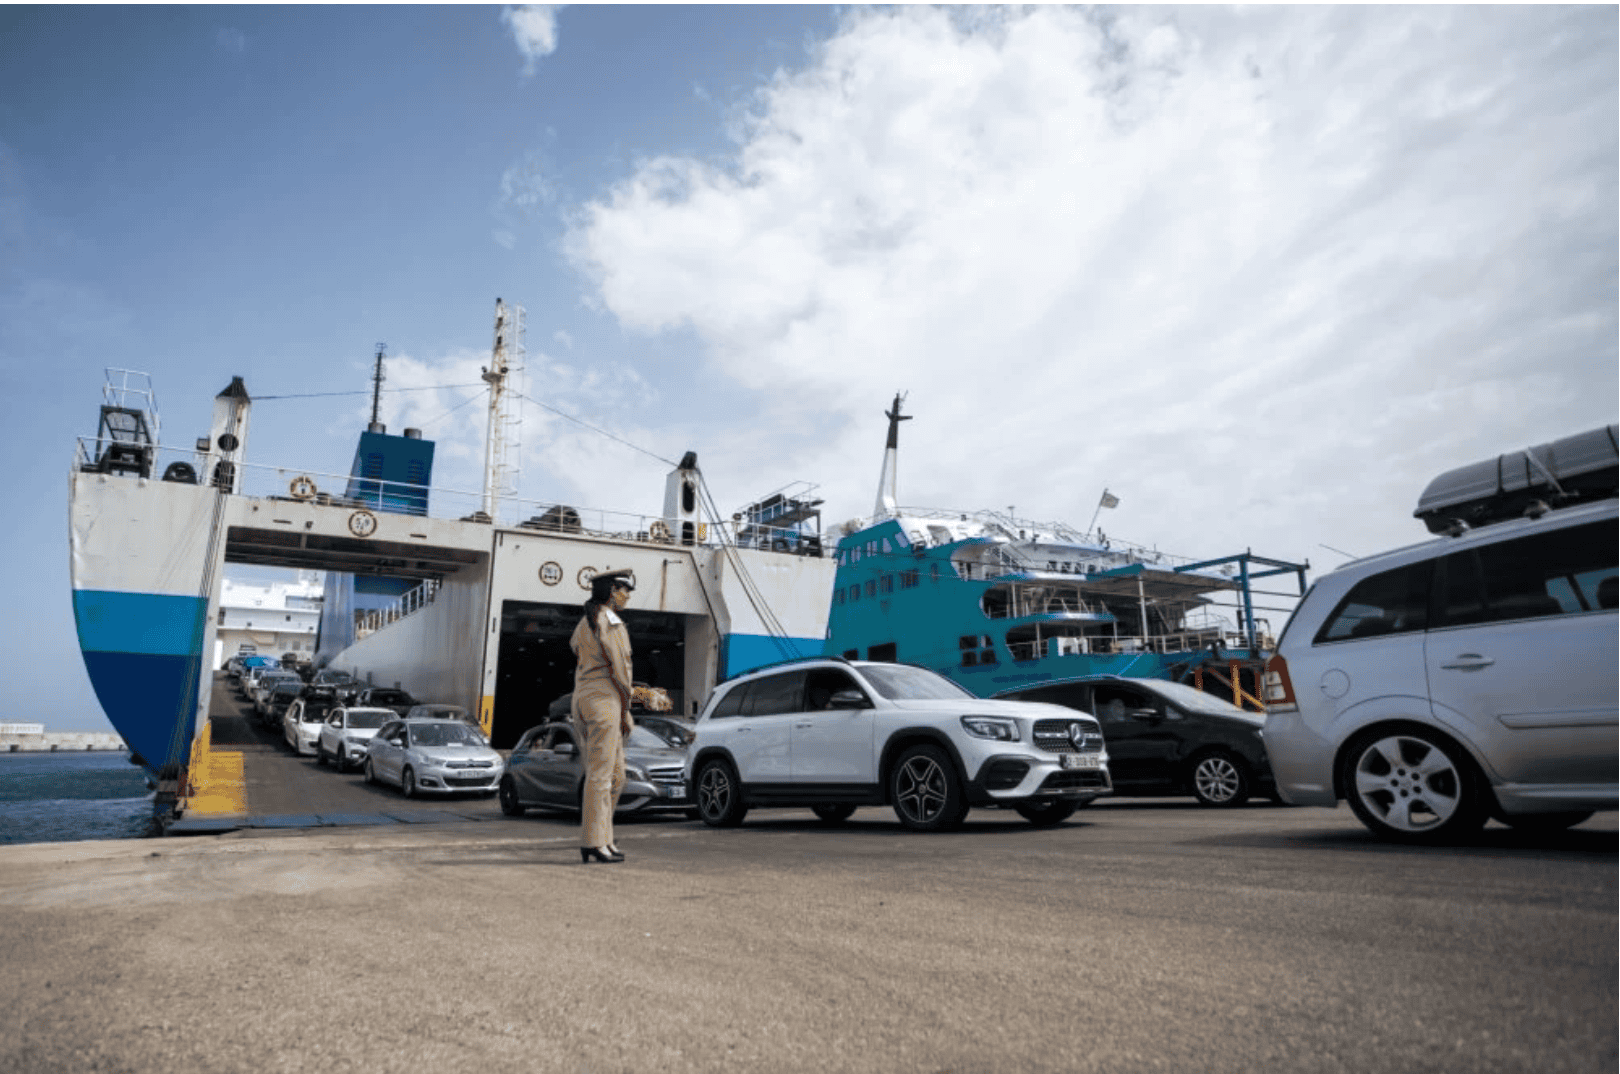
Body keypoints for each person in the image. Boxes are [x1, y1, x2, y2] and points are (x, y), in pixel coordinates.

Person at [569, 569, 635, 864]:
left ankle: (603, 837)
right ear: (611, 591)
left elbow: (574, 646)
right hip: (604, 698)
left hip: (585, 695)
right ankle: (593, 842)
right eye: (624, 589)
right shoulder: (611, 621)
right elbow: (622, 670)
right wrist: (627, 706)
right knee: (601, 775)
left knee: (617, 776)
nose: (627, 595)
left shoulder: (587, 621)